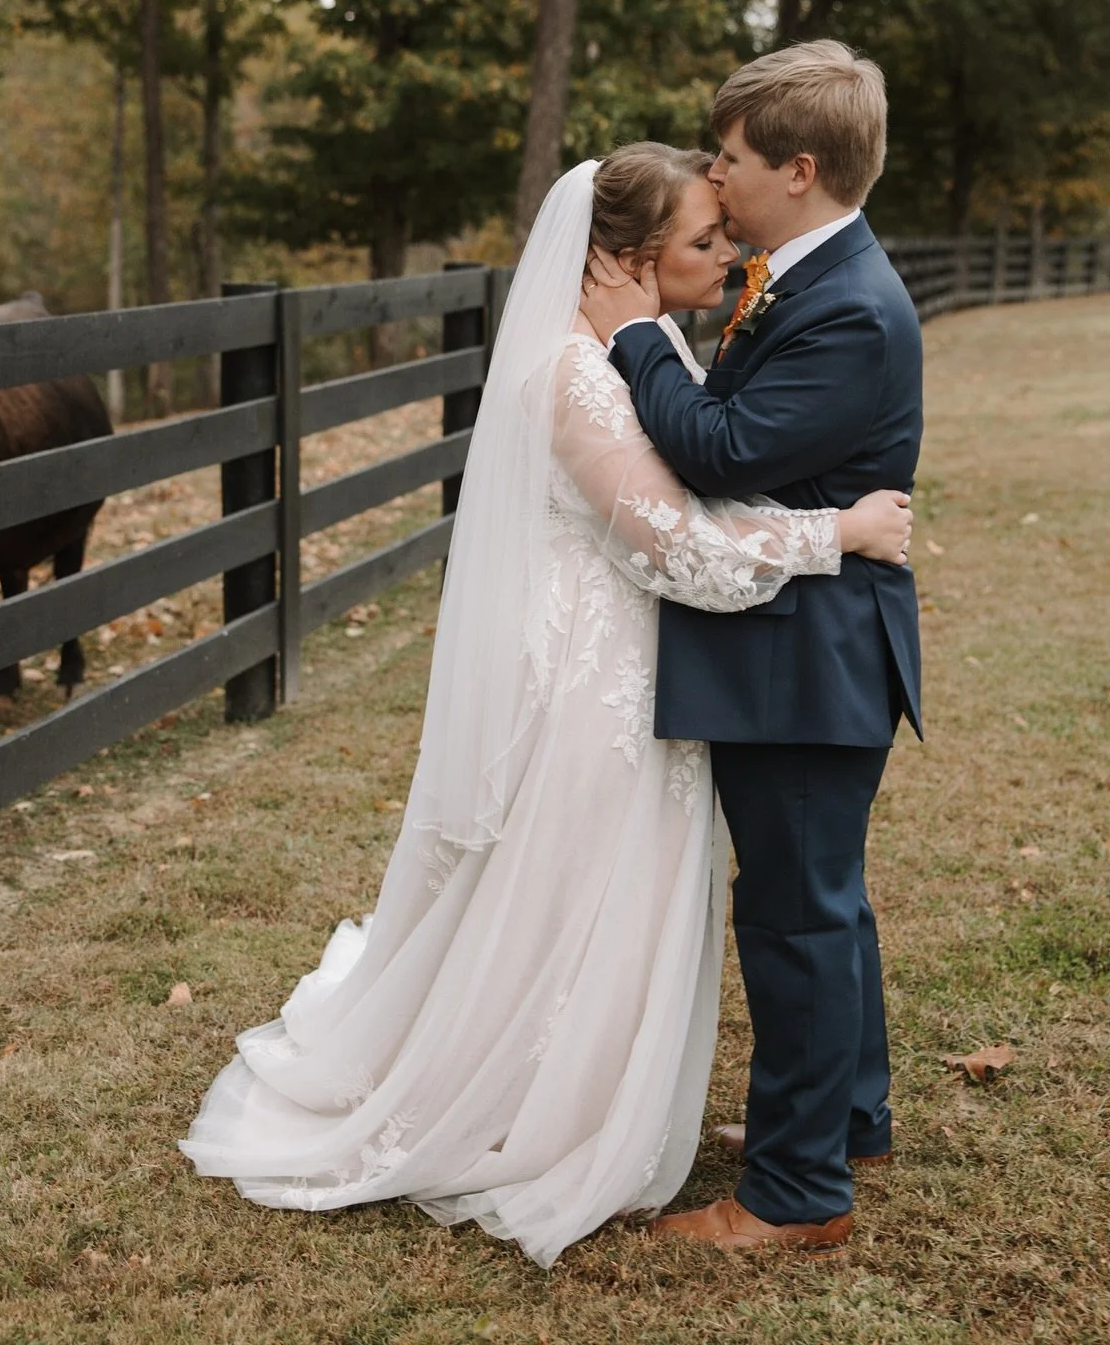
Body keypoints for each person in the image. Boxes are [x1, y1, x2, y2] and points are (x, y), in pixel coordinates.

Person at [180, 142, 912, 1268]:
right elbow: (674, 546)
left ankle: (699, 1103)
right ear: (622, 258)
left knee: (644, 897)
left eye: (724, 236)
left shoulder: (645, 342)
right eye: (701, 243)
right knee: (573, 894)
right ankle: (534, 1108)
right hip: (593, 684)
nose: (725, 258)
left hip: (642, 672)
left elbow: (705, 468)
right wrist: (840, 534)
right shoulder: (578, 371)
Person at [582, 42, 923, 1257]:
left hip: (805, 658)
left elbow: (719, 453)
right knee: (818, 900)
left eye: (726, 160)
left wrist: (633, 340)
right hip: (803, 644)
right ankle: (845, 1117)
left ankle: (794, 1194)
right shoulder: (804, 275)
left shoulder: (850, 309)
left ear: (799, 167)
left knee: (794, 914)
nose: (714, 184)